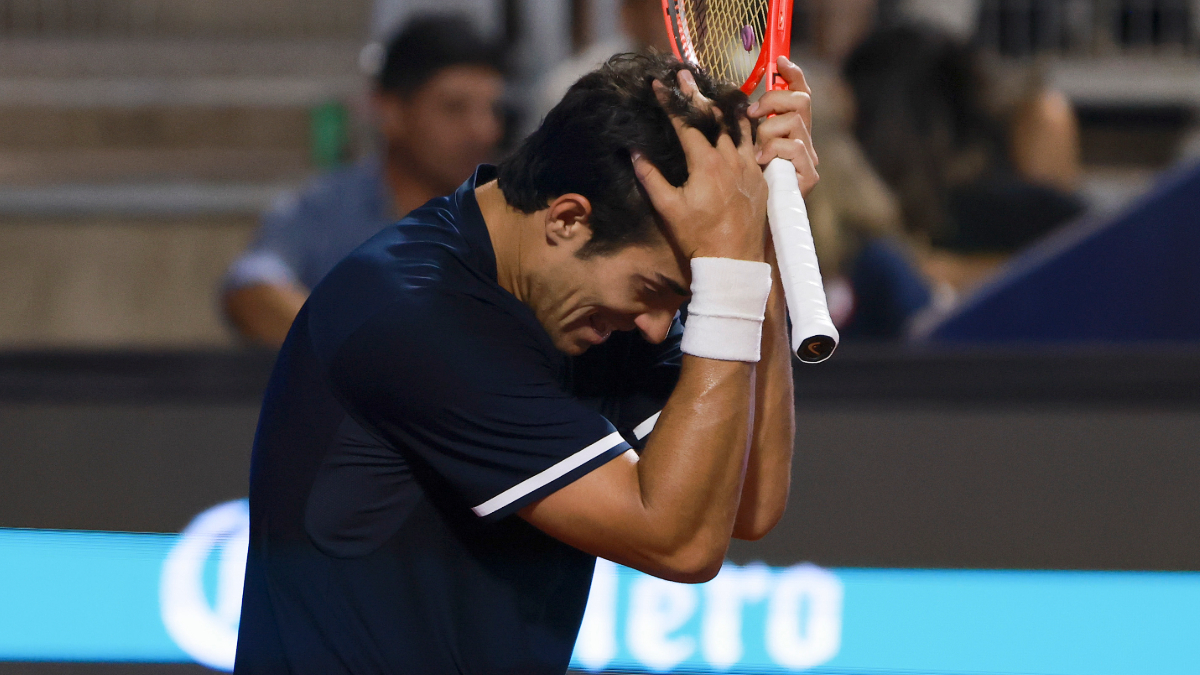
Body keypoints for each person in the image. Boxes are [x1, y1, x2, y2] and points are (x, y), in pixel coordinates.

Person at [233, 52, 819, 674]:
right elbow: (680, 542)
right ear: (568, 219)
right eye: (652, 292)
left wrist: (760, 239)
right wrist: (729, 273)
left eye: (682, 301)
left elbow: (747, 502)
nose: (657, 328)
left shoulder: (592, 299)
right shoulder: (409, 316)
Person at [222, 15, 506, 347]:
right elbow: (251, 286)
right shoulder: (329, 209)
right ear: (389, 112)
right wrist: (359, 354)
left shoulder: (511, 215)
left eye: (492, 110)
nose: (484, 131)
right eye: (454, 108)